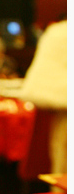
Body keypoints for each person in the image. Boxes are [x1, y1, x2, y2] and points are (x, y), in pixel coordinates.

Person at [20, 18, 67, 176]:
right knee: (63, 167)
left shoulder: (58, 33)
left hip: (63, 114)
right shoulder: (60, 34)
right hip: (64, 115)